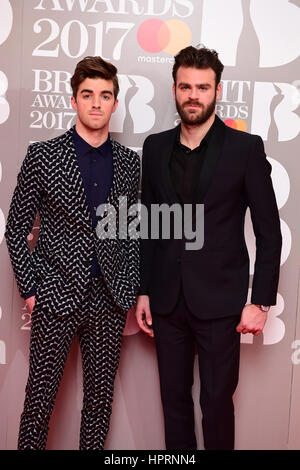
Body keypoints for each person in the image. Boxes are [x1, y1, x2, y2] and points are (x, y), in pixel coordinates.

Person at [136, 46, 282, 450]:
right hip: (167, 300)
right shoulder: (156, 147)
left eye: (203, 87)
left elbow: (269, 231)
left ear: (218, 90)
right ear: (174, 89)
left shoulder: (245, 148)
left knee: (217, 403)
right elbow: (150, 225)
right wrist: (145, 289)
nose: (193, 95)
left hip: (221, 302)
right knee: (174, 403)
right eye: (186, 87)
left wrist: (262, 301)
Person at [5, 56, 140, 450]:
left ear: (115, 103)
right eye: (87, 95)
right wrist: (32, 289)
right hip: (54, 295)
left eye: (105, 95)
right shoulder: (43, 156)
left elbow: (131, 233)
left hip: (109, 301)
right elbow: (16, 229)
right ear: (73, 100)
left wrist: (127, 290)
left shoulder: (131, 164)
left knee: (99, 405)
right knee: (38, 403)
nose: (96, 103)